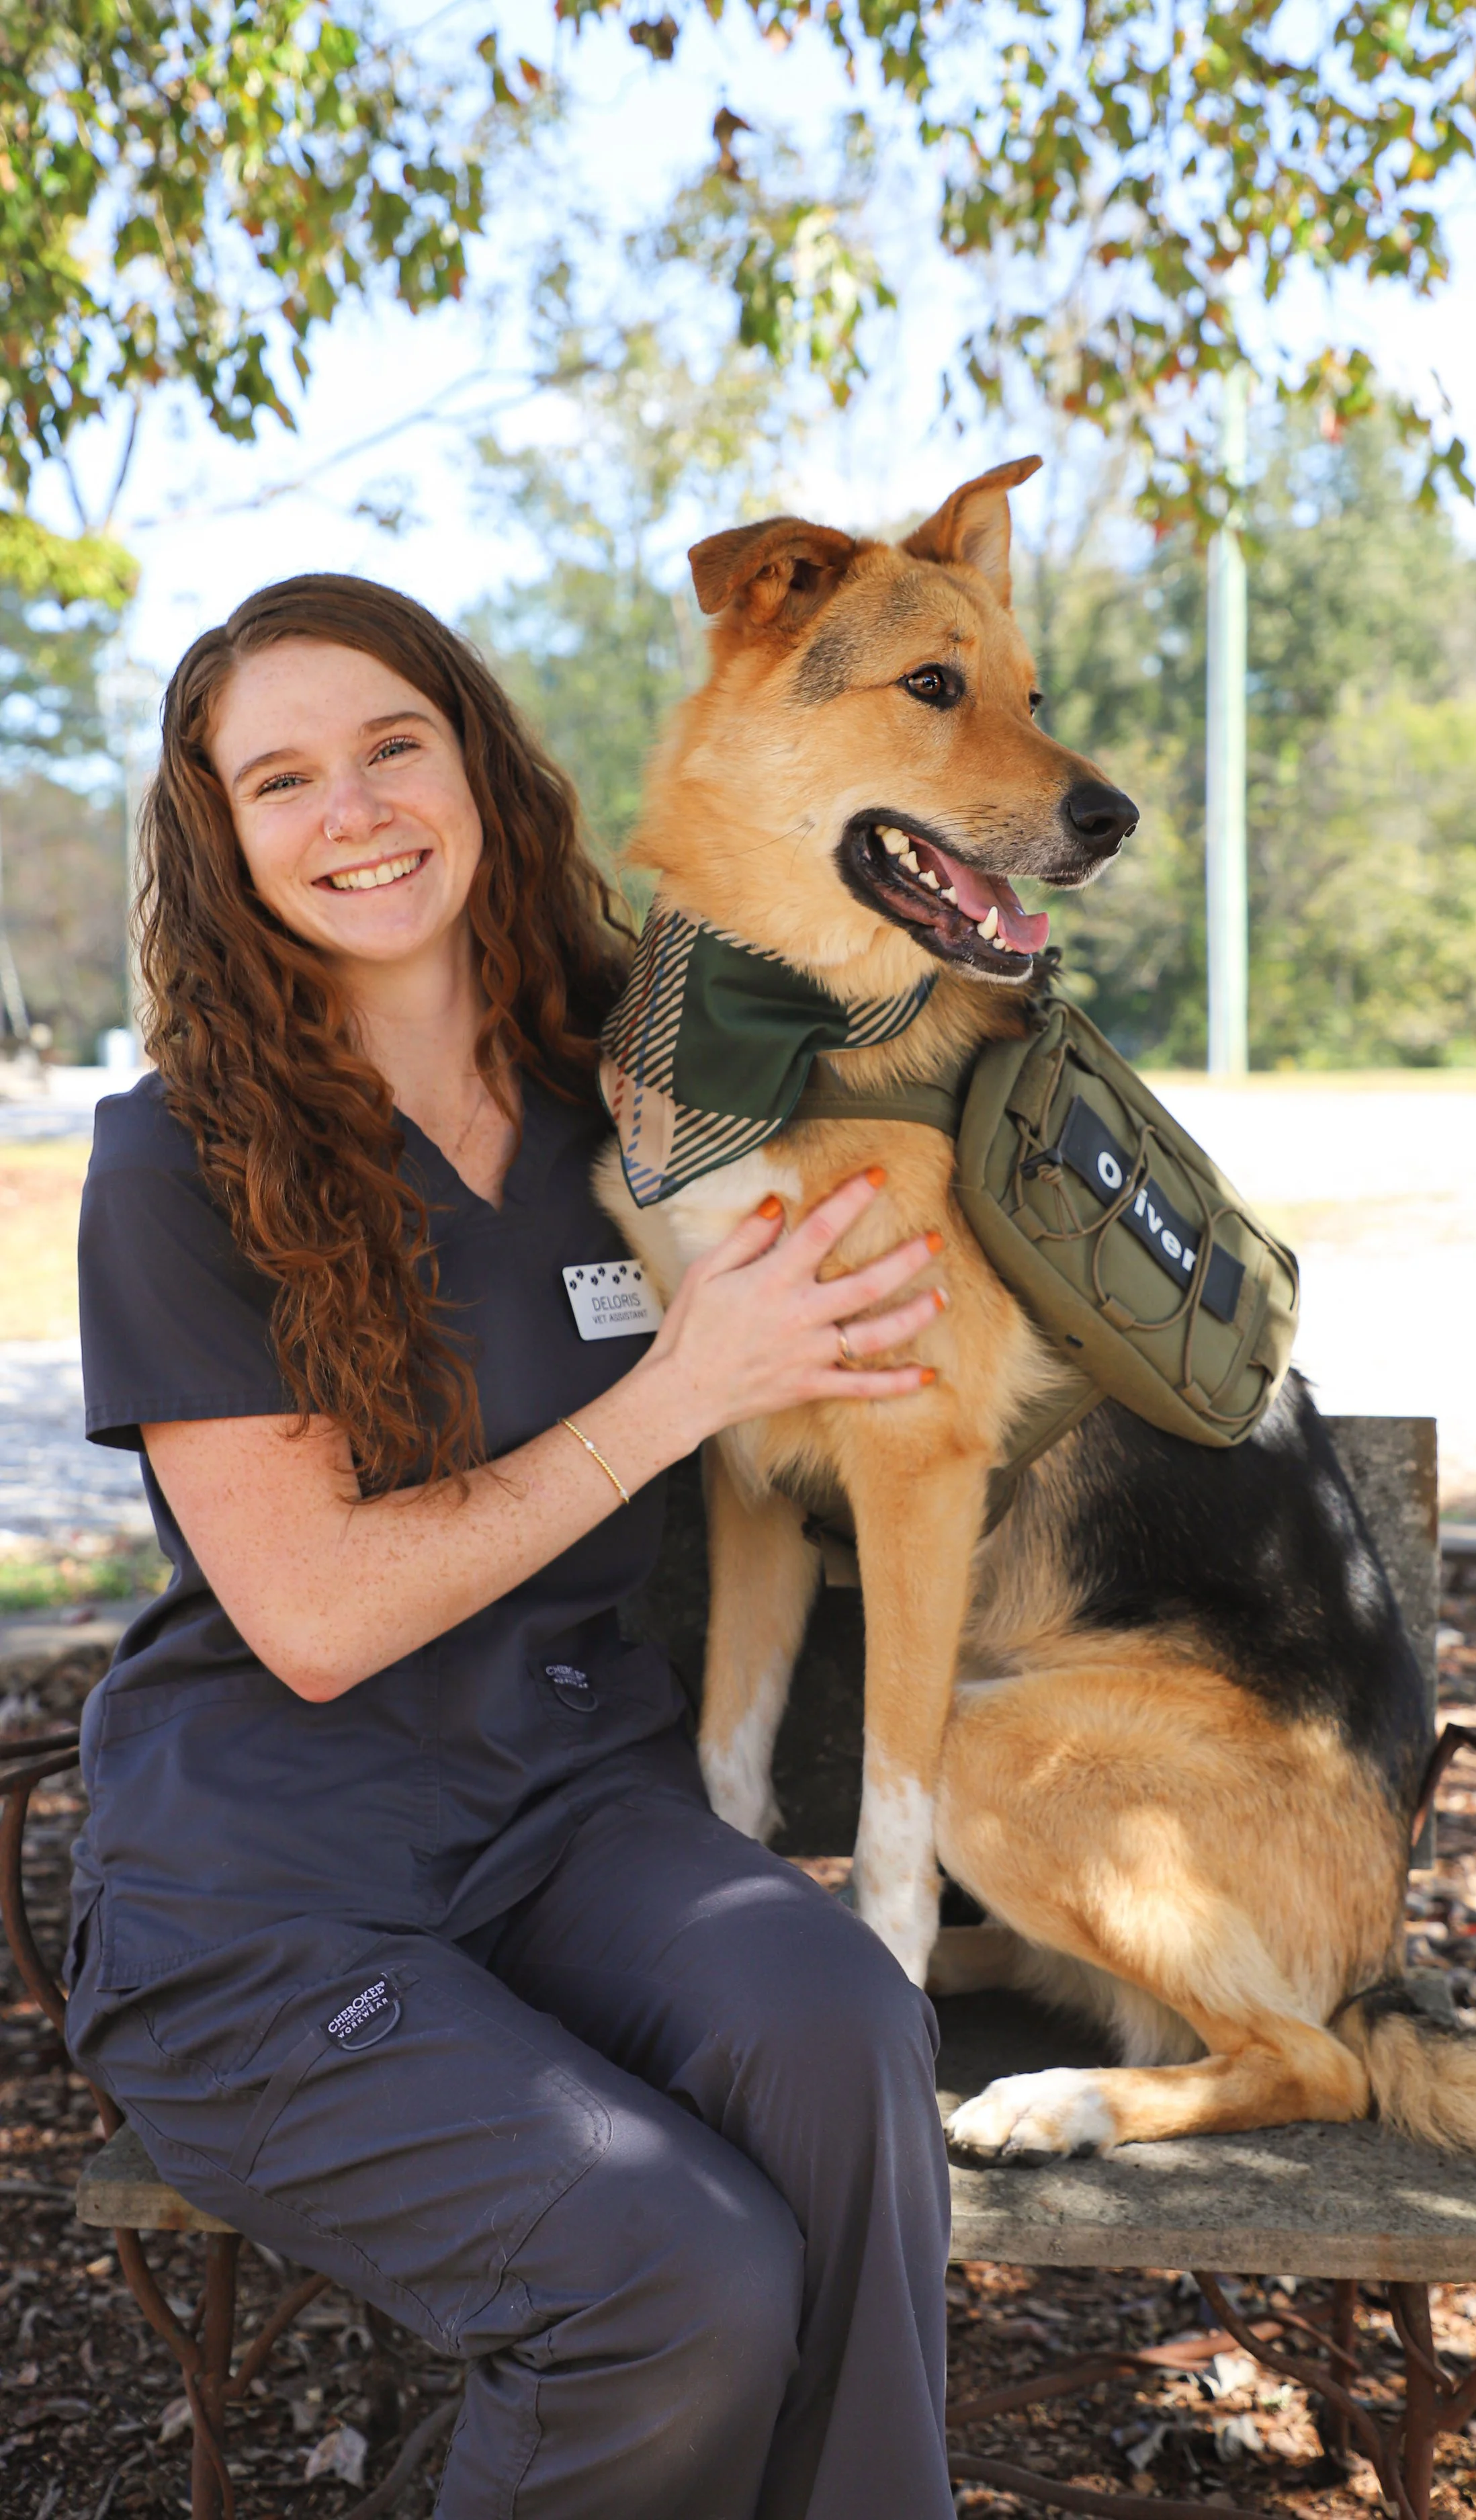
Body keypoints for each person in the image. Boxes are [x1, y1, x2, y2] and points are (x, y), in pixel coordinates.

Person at [63, 575, 957, 2519]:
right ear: (220, 839)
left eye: (393, 742)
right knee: (674, 2268)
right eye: (278, 777)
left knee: (837, 2025)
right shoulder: (178, 1159)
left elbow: (875, 965)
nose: (354, 807)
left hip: (572, 1814)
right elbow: (309, 1614)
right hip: (268, 1893)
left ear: (475, 757)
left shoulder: (619, 1096)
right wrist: (684, 1381)